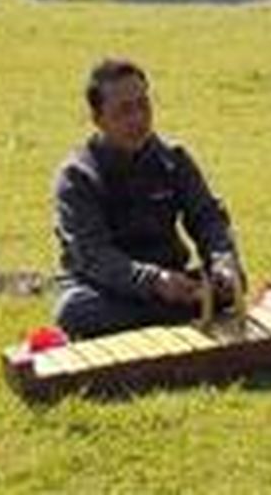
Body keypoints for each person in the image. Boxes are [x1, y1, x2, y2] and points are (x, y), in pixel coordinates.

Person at [52, 58, 247, 339]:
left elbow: (207, 217)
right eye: (124, 110)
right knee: (74, 311)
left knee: (234, 281)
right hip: (104, 288)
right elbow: (93, 255)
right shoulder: (77, 176)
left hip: (174, 280)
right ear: (98, 119)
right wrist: (153, 282)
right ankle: (188, 308)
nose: (138, 119)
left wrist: (222, 262)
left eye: (143, 105)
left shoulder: (173, 158)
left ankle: (185, 304)